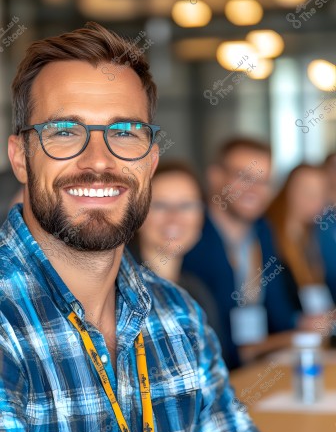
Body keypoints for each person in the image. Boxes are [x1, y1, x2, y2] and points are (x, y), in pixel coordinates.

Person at [0, 22, 313, 432]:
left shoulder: (178, 320)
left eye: (124, 133)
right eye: (64, 131)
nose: (98, 161)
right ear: (20, 156)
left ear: (149, 159)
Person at [183, 138, 320, 370]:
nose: (254, 190)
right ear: (216, 176)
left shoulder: (263, 231)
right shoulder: (189, 235)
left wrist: (300, 328)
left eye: (263, 181)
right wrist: (276, 342)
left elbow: (279, 311)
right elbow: (208, 337)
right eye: (243, 177)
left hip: (262, 369)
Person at [129, 160, 220, 332]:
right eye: (160, 205)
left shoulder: (197, 291)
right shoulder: (121, 295)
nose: (174, 218)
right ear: (138, 215)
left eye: (186, 206)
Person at [267, 164, 335, 315]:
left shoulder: (316, 236)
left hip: (316, 328)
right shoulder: (268, 233)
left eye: (320, 193)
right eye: (307, 191)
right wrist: (295, 321)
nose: (314, 200)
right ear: (288, 190)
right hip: (283, 333)